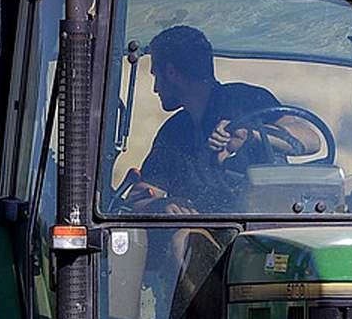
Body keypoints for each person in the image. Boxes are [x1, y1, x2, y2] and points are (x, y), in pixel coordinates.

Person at [120, 24, 320, 214]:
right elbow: (138, 196)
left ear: (172, 73)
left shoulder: (246, 101)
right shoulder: (174, 132)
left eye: (156, 76)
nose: (155, 88)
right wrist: (161, 204)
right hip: (204, 232)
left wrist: (251, 133)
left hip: (261, 228)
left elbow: (311, 140)